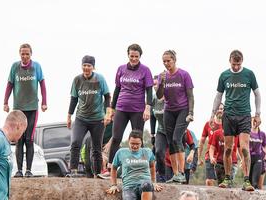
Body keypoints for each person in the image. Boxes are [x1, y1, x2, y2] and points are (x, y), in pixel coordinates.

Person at [210, 50, 261, 191]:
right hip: (229, 115)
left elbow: (257, 94)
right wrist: (212, 114)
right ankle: (227, 178)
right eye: (234, 64)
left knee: (244, 148)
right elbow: (218, 96)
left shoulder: (249, 74)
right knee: (228, 148)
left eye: (238, 64)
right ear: (230, 61)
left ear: (242, 61)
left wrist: (258, 114)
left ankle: (246, 180)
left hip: (244, 115)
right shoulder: (224, 75)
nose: (236, 67)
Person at [106, 44, 154, 173]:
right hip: (121, 108)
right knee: (116, 137)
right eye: (131, 56)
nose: (133, 59)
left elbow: (149, 90)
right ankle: (111, 167)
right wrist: (111, 108)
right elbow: (117, 89)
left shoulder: (145, 70)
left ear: (140, 56)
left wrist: (148, 108)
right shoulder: (121, 69)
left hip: (137, 110)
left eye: (136, 56)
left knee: (137, 139)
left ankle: (141, 168)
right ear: (128, 55)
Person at [3, 44, 47, 178]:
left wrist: (44, 102)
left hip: (32, 108)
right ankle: (19, 171)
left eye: (27, 54)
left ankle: (29, 170)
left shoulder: (36, 67)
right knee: (19, 140)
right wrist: (5, 102)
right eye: (23, 54)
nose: (25, 56)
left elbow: (42, 84)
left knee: (29, 139)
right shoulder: (15, 67)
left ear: (31, 54)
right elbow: (9, 85)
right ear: (19, 54)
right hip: (18, 110)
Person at [107, 130, 162, 200]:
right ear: (128, 141)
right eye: (132, 143)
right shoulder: (121, 152)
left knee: (147, 185)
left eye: (137, 144)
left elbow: (152, 166)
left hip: (144, 183)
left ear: (141, 143)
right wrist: (113, 184)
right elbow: (113, 168)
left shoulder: (147, 152)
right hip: (129, 185)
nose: (135, 146)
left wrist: (154, 182)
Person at [67, 55, 111, 178]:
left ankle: (97, 173)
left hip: (97, 119)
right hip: (81, 118)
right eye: (84, 65)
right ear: (82, 66)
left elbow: (107, 96)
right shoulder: (77, 80)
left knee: (96, 148)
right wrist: (69, 116)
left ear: (93, 67)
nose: (86, 68)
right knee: (75, 142)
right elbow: (73, 99)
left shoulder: (99, 79)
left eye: (89, 66)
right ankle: (73, 171)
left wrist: (108, 113)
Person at [156, 50, 195, 184]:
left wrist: (191, 112)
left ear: (174, 60)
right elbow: (159, 96)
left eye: (169, 61)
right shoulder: (163, 76)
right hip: (169, 110)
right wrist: (161, 82)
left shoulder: (184, 74)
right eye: (164, 61)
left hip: (183, 110)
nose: (166, 64)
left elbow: (190, 95)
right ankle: (176, 173)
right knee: (170, 142)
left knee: (176, 138)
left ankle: (182, 173)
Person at [198, 104, 224, 186]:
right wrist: (199, 157)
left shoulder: (226, 125)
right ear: (214, 110)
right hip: (210, 156)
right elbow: (202, 141)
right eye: (218, 109)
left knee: (222, 183)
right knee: (209, 180)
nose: (220, 110)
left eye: (222, 109)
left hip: (223, 158)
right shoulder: (208, 124)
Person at [249, 117, 266, 189]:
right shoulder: (247, 133)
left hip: (258, 158)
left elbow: (265, 147)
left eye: (255, 121)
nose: (254, 123)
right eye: (252, 121)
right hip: (249, 158)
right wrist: (242, 159)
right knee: (249, 182)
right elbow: (241, 147)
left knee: (255, 182)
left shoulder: (262, 134)